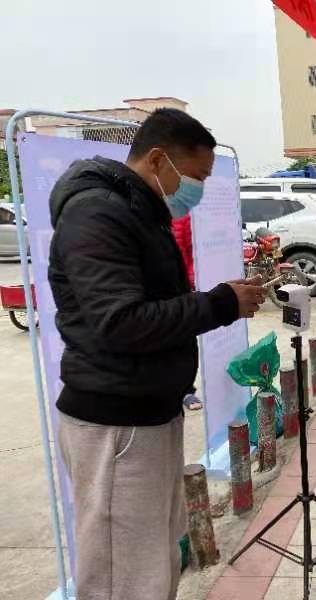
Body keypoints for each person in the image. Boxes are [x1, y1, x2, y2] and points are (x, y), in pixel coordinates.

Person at [48, 108, 266, 600]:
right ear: (156, 159)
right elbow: (121, 322)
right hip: (115, 423)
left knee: (153, 562)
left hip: (148, 414)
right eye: (196, 177)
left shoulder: (139, 212)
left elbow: (152, 305)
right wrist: (220, 304)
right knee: (123, 578)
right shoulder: (97, 213)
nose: (198, 189)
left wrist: (221, 299)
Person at [170, 213, 203, 411]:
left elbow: (192, 251)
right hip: (160, 289)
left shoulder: (185, 215)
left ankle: (187, 390)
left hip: (185, 286)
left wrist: (192, 279)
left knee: (186, 340)